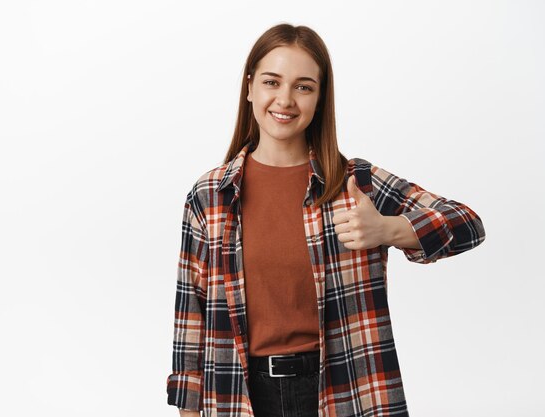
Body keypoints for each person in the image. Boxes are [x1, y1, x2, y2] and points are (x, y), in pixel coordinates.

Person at [166, 23, 486, 417]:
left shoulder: (354, 182)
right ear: (249, 87)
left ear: (320, 98)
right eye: (271, 82)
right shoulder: (209, 195)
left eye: (303, 86)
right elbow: (190, 316)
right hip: (238, 394)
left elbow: (468, 223)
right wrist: (188, 409)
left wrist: (389, 230)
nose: (285, 99)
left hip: (344, 389)